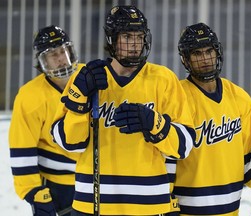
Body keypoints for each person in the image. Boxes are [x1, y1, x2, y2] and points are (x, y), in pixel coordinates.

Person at [50, 5, 196, 216]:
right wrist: (79, 103)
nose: (135, 44)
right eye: (127, 36)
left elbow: (184, 146)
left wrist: (155, 123)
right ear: (112, 39)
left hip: (150, 206)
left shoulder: (163, 79)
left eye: (139, 37)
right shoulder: (86, 76)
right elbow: (67, 143)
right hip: (90, 205)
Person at [172, 22, 251, 215]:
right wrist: (164, 201)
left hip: (232, 211)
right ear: (186, 59)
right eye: (197, 54)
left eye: (209, 51)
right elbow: (167, 156)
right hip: (185, 211)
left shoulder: (239, 97)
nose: (205, 58)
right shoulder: (176, 96)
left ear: (217, 53)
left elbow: (250, 152)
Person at [9, 25, 83, 216]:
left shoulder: (91, 78)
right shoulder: (29, 96)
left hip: (97, 180)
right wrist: (33, 192)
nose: (61, 58)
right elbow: (22, 149)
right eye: (53, 55)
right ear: (42, 61)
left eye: (63, 51)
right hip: (56, 187)